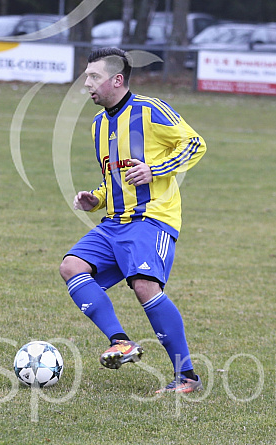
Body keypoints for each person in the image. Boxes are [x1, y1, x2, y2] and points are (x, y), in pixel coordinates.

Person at [59, 47, 207, 394]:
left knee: (144, 286)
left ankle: (186, 376)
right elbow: (114, 178)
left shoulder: (150, 109)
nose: (87, 84)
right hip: (113, 222)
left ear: (117, 79)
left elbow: (194, 144)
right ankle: (121, 342)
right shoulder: (98, 124)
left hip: (151, 219)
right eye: (86, 77)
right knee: (71, 266)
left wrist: (155, 169)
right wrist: (95, 198)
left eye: (93, 77)